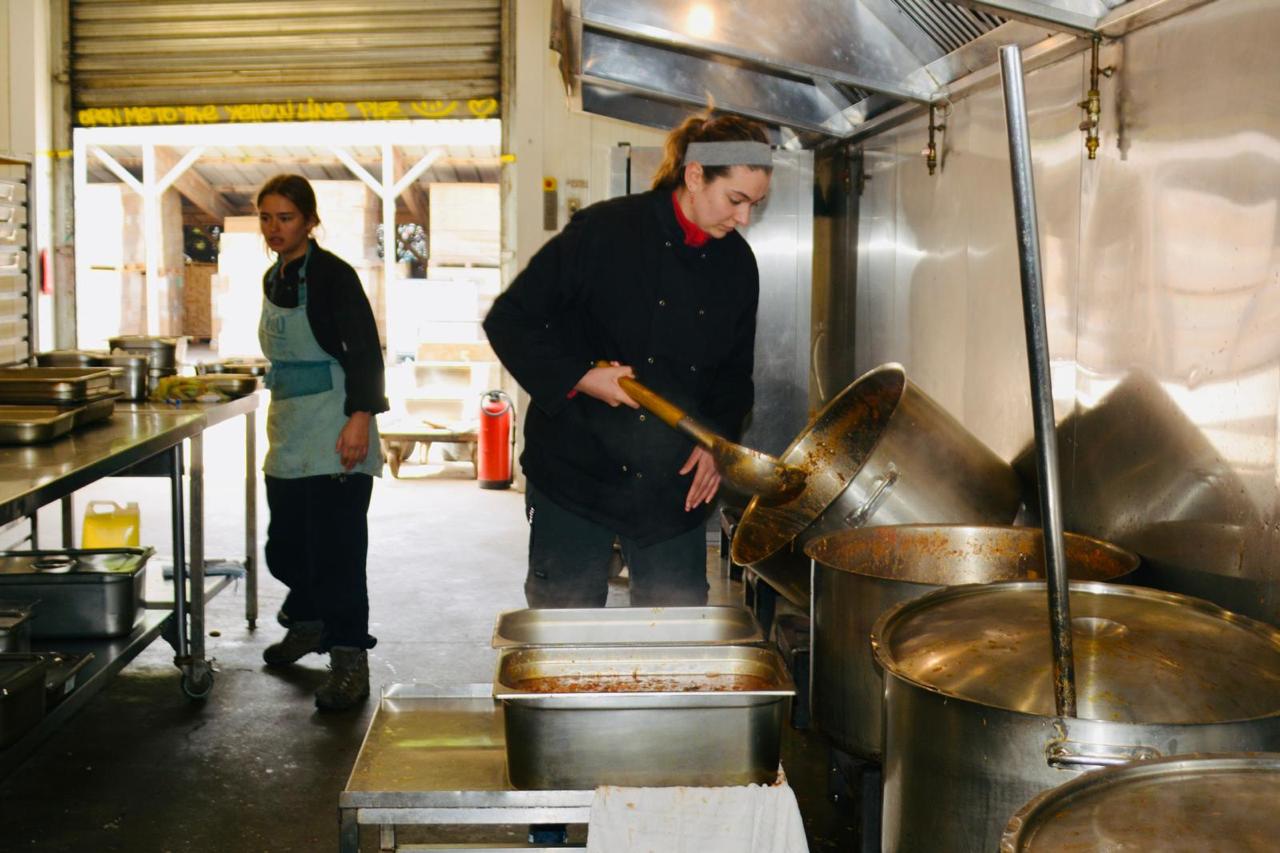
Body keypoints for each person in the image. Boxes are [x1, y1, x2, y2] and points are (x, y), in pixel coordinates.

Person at [483, 112, 772, 610]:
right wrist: (582, 377)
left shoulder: (737, 266)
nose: (743, 218)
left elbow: (733, 377)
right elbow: (510, 320)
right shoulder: (604, 231)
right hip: (577, 473)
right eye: (736, 200)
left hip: (673, 487)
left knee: (675, 629)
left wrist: (715, 442)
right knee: (563, 629)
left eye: (754, 205)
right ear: (696, 175)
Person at [255, 174, 387, 712]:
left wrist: (360, 418)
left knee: (337, 553)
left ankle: (350, 659)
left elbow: (365, 351)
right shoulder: (274, 277)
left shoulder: (333, 276)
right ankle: (308, 622)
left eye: (285, 218)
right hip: (290, 430)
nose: (274, 228)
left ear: (310, 221)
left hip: (336, 426)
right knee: (285, 545)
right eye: (266, 217)